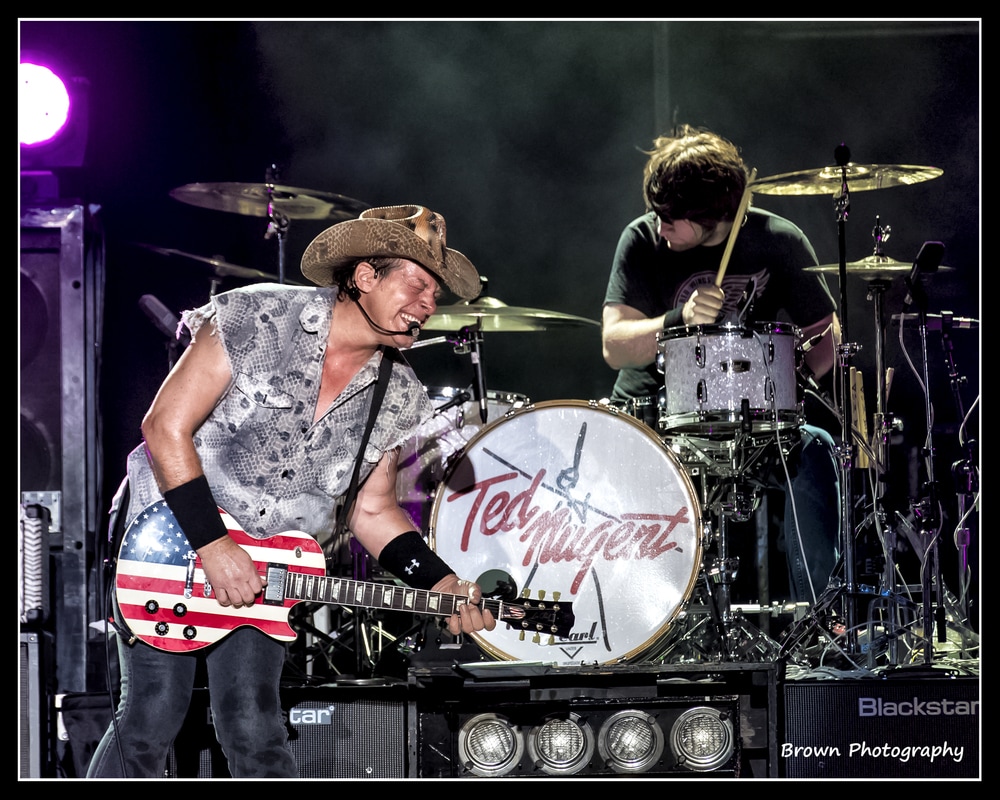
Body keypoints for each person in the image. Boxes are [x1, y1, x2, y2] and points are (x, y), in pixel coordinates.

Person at [87, 205, 497, 779]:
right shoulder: (256, 316)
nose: (429, 304)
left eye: (436, 294)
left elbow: (372, 509)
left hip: (265, 569)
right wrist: (213, 544)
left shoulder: (400, 393)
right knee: (152, 718)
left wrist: (441, 582)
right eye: (418, 285)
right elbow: (164, 427)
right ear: (365, 276)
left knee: (256, 728)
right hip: (169, 538)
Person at [601, 125, 842, 606]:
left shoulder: (777, 239)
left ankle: (820, 620)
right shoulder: (642, 240)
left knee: (816, 450)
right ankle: (640, 617)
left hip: (753, 425)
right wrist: (678, 319)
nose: (660, 226)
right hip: (656, 420)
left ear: (711, 217)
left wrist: (788, 388)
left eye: (670, 219)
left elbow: (827, 335)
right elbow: (614, 346)